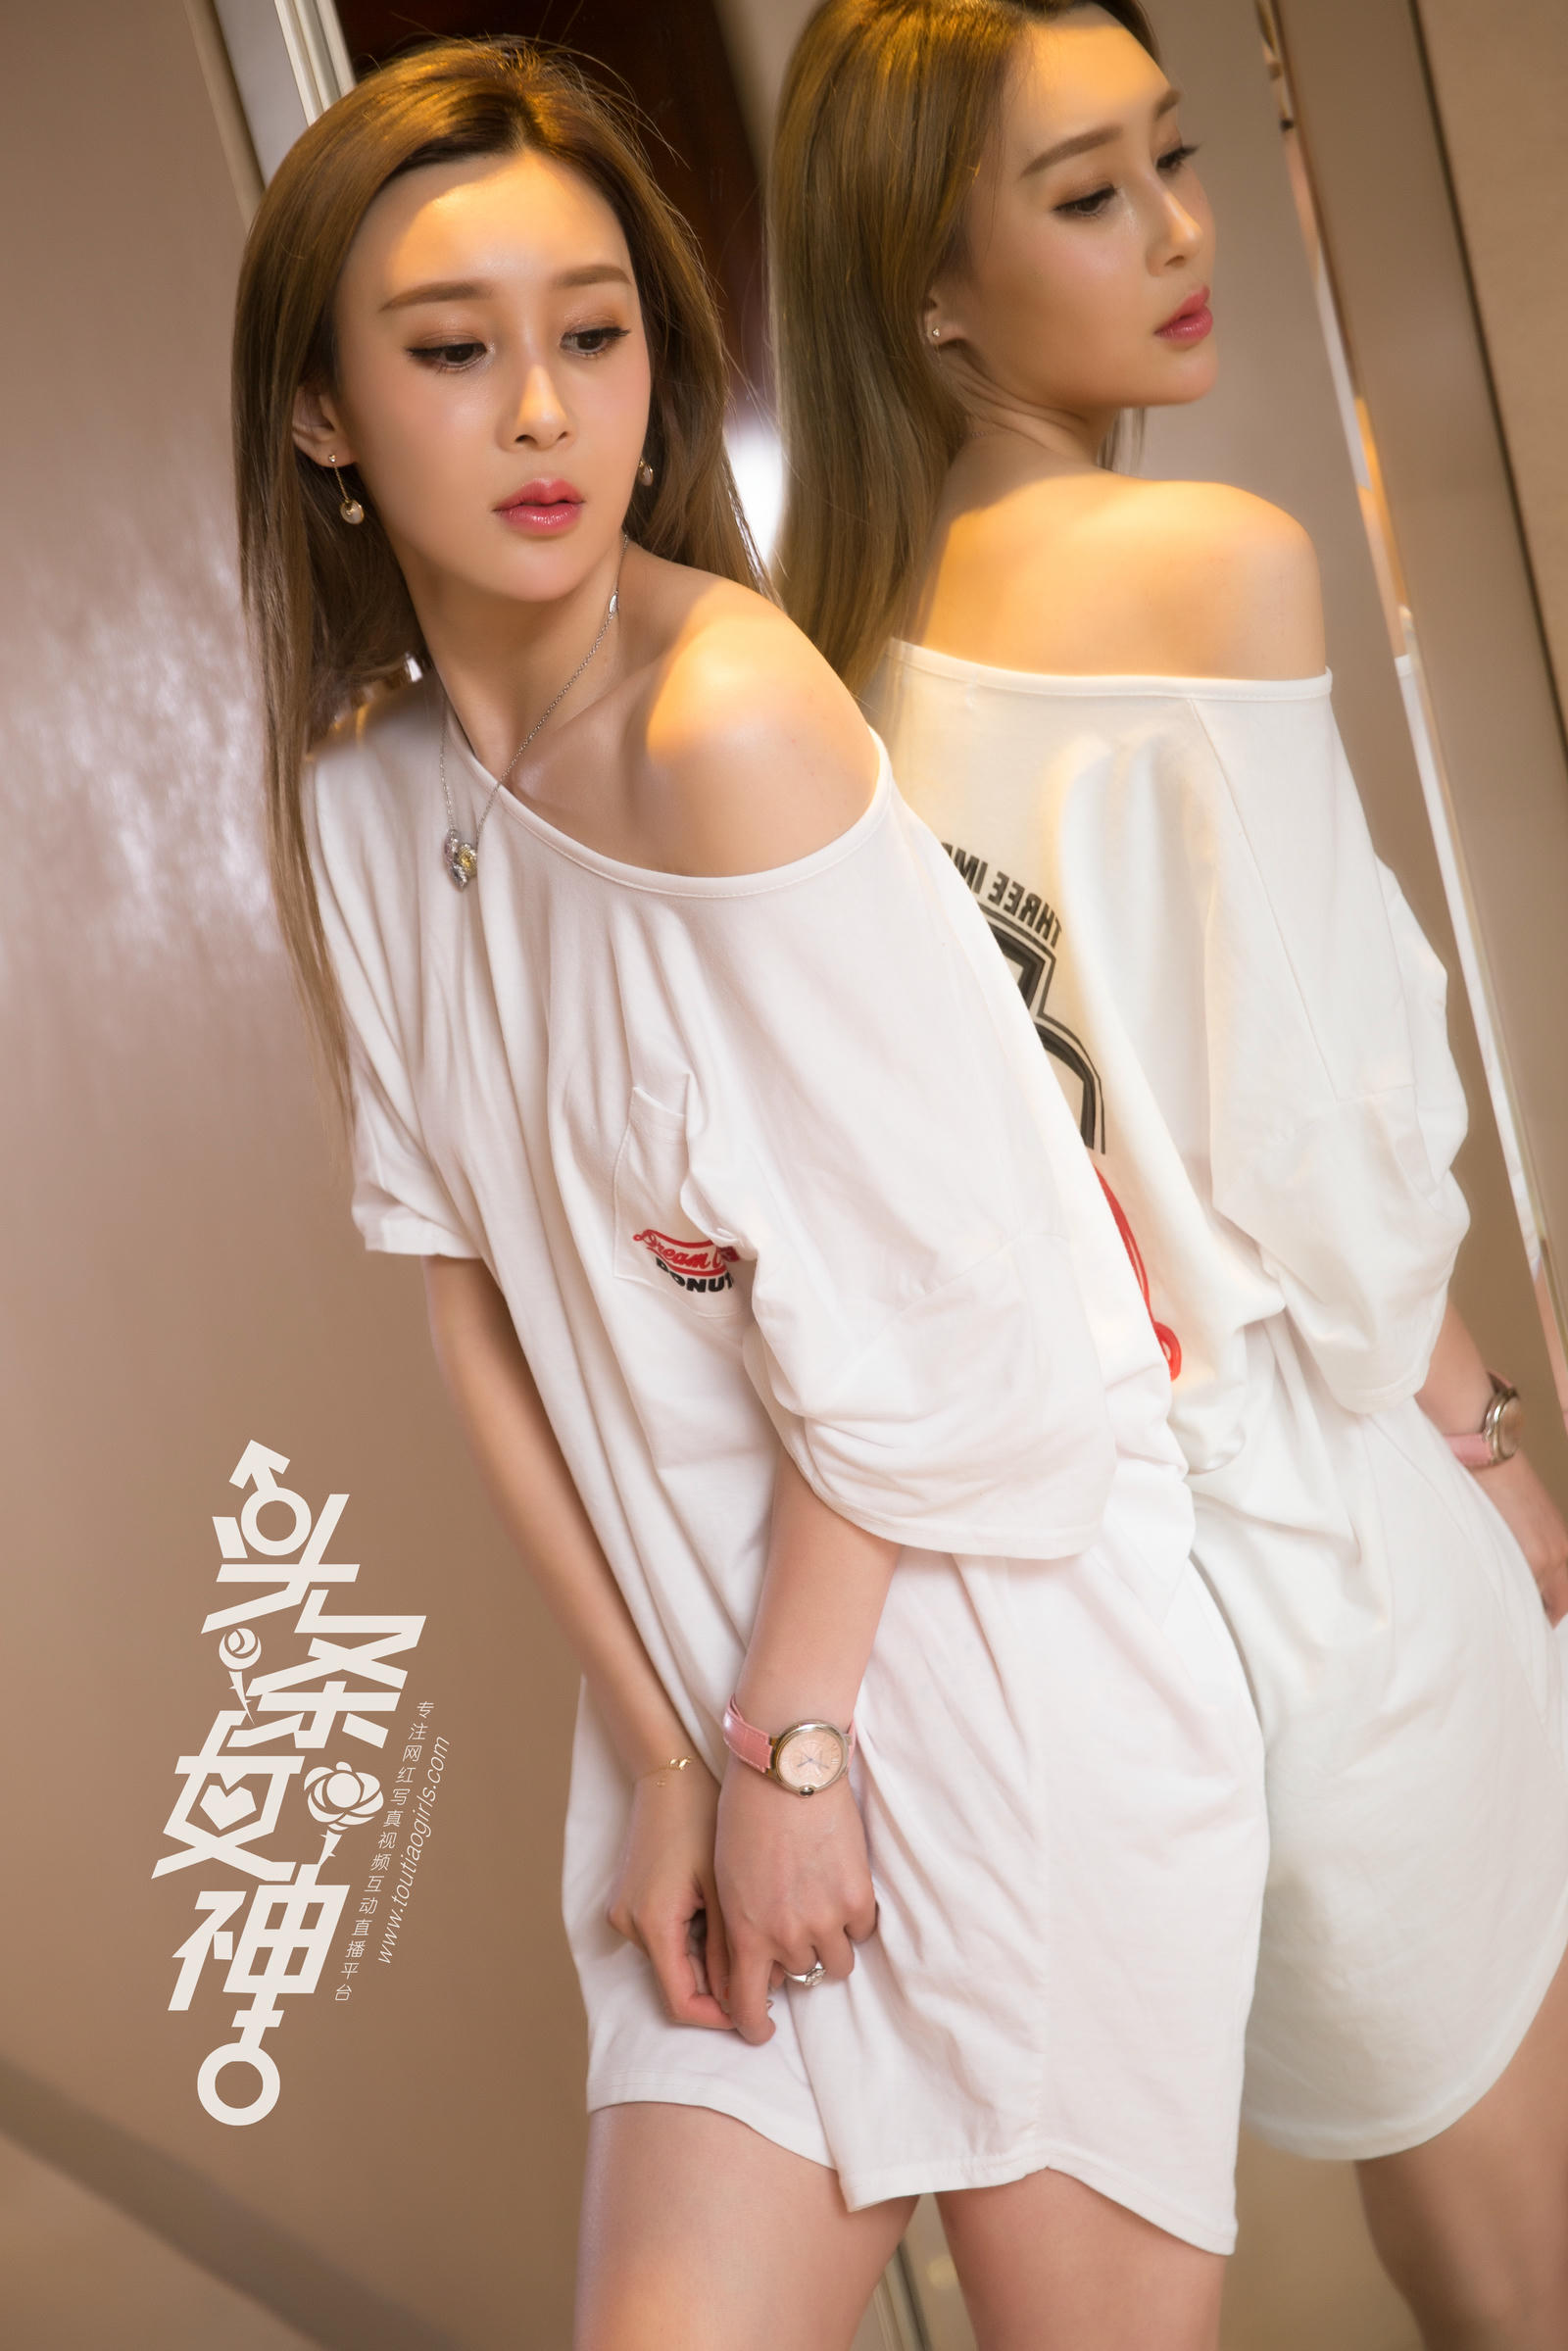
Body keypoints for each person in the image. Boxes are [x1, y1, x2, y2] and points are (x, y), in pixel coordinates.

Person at [231, 35, 1266, 2351]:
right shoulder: (362, 791)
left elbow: (935, 1328)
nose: (540, 412)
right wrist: (665, 1761)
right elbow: (481, 1313)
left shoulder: (732, 722)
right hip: (711, 1718)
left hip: (995, 1676)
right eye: (449, 349)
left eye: (592, 334)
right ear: (319, 413)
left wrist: (787, 1748)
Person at [768, 3, 1568, 2343]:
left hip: (1075, 1611)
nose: (1177, 231)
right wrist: (1487, 1441)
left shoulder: (811, 671)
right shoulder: (1202, 563)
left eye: (1172, 157)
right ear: (928, 287)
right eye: (1086, 191)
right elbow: (1321, 1149)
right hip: (1319, 1535)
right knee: (1511, 2258)